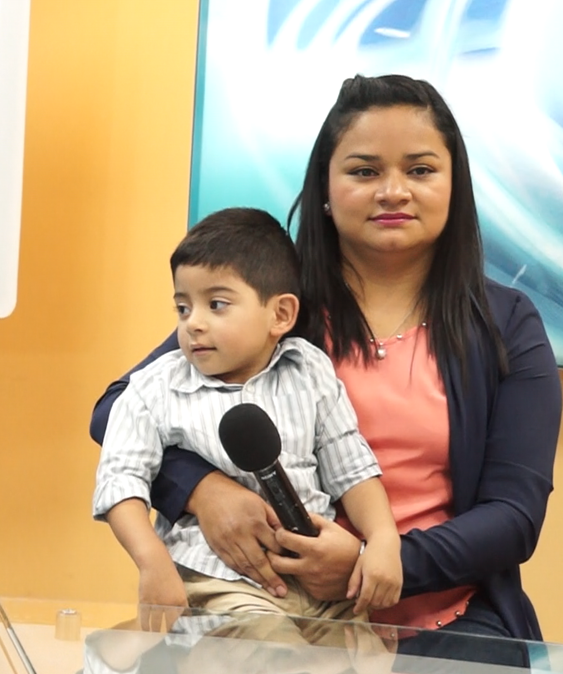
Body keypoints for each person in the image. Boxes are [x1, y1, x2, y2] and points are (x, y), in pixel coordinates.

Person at [90, 75, 560, 664]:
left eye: (420, 170)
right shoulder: (277, 307)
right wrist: (202, 492)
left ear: (454, 185)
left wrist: (373, 565)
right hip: (272, 615)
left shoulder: (507, 323)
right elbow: (117, 408)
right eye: (364, 171)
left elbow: (514, 516)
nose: (393, 191)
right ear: (325, 189)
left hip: (451, 625)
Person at [94, 207, 401, 644]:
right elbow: (121, 482)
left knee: (366, 655)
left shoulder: (310, 370)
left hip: (319, 586)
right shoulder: (152, 389)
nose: (193, 322)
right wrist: (152, 562)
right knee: (271, 654)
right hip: (219, 583)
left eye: (216, 304)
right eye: (183, 307)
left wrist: (383, 540)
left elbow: (351, 467)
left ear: (280, 315)